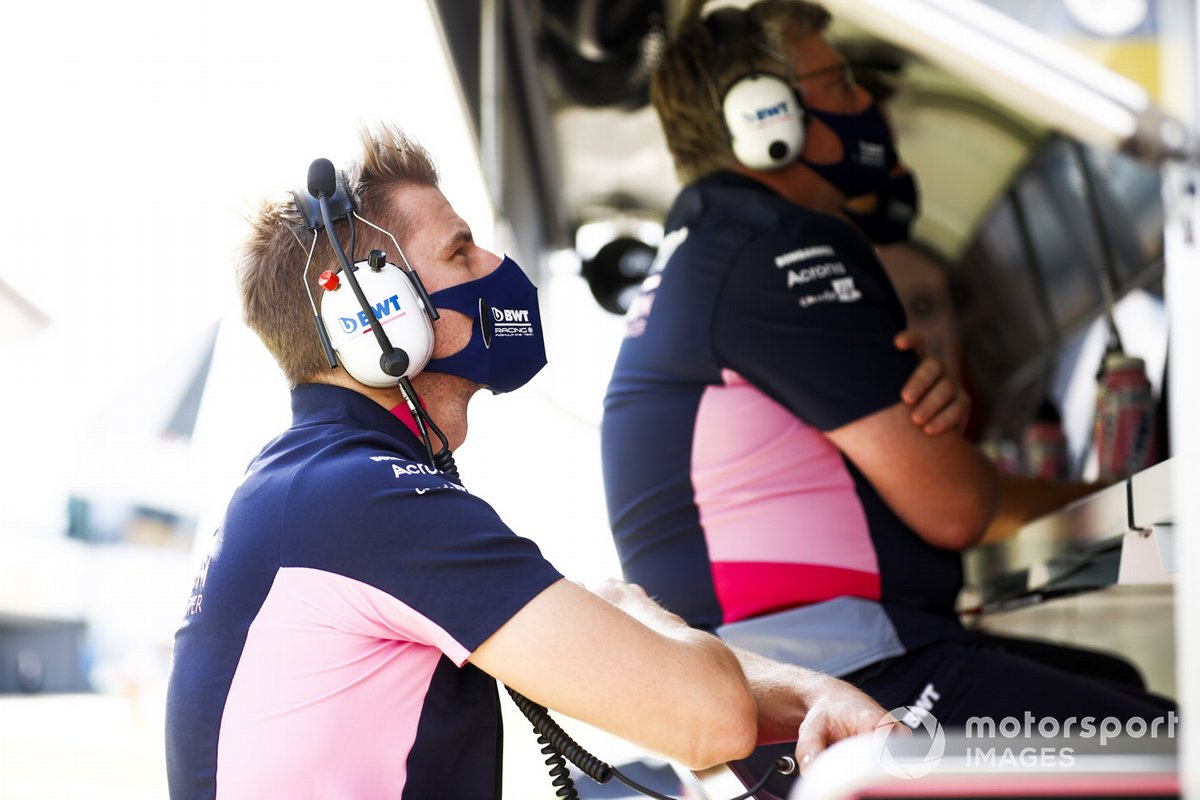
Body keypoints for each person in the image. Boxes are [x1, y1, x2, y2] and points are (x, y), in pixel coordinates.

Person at [163, 123, 894, 799]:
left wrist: (810, 693)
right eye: (460, 251)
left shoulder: (319, 487)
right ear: (379, 311)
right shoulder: (357, 501)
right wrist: (638, 611)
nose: (495, 267)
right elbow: (709, 718)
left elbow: (612, 649)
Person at [600, 0, 1174, 791]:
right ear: (764, 117)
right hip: (843, 690)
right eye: (839, 86)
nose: (867, 107)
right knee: (1167, 742)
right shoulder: (780, 246)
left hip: (785, 700)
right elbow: (956, 507)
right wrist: (952, 451)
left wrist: (940, 439)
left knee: (1121, 688)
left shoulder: (710, 252)